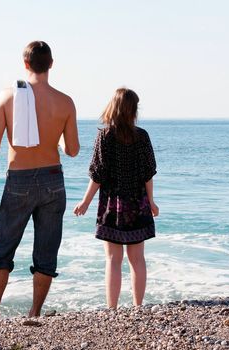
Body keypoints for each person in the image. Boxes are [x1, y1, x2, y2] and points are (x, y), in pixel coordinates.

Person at [0, 40, 80, 320]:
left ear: (25, 64)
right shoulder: (65, 102)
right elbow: (72, 150)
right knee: (46, 252)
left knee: (3, 248)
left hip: (19, 179)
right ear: (51, 64)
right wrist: (55, 136)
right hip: (52, 179)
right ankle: (35, 312)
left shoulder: (7, 96)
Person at [73, 88, 158, 308]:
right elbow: (148, 173)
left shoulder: (105, 136)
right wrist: (151, 201)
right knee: (137, 258)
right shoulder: (142, 136)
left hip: (112, 204)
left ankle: (112, 308)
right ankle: (138, 306)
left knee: (113, 259)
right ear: (132, 110)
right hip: (138, 204)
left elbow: (97, 174)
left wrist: (85, 202)